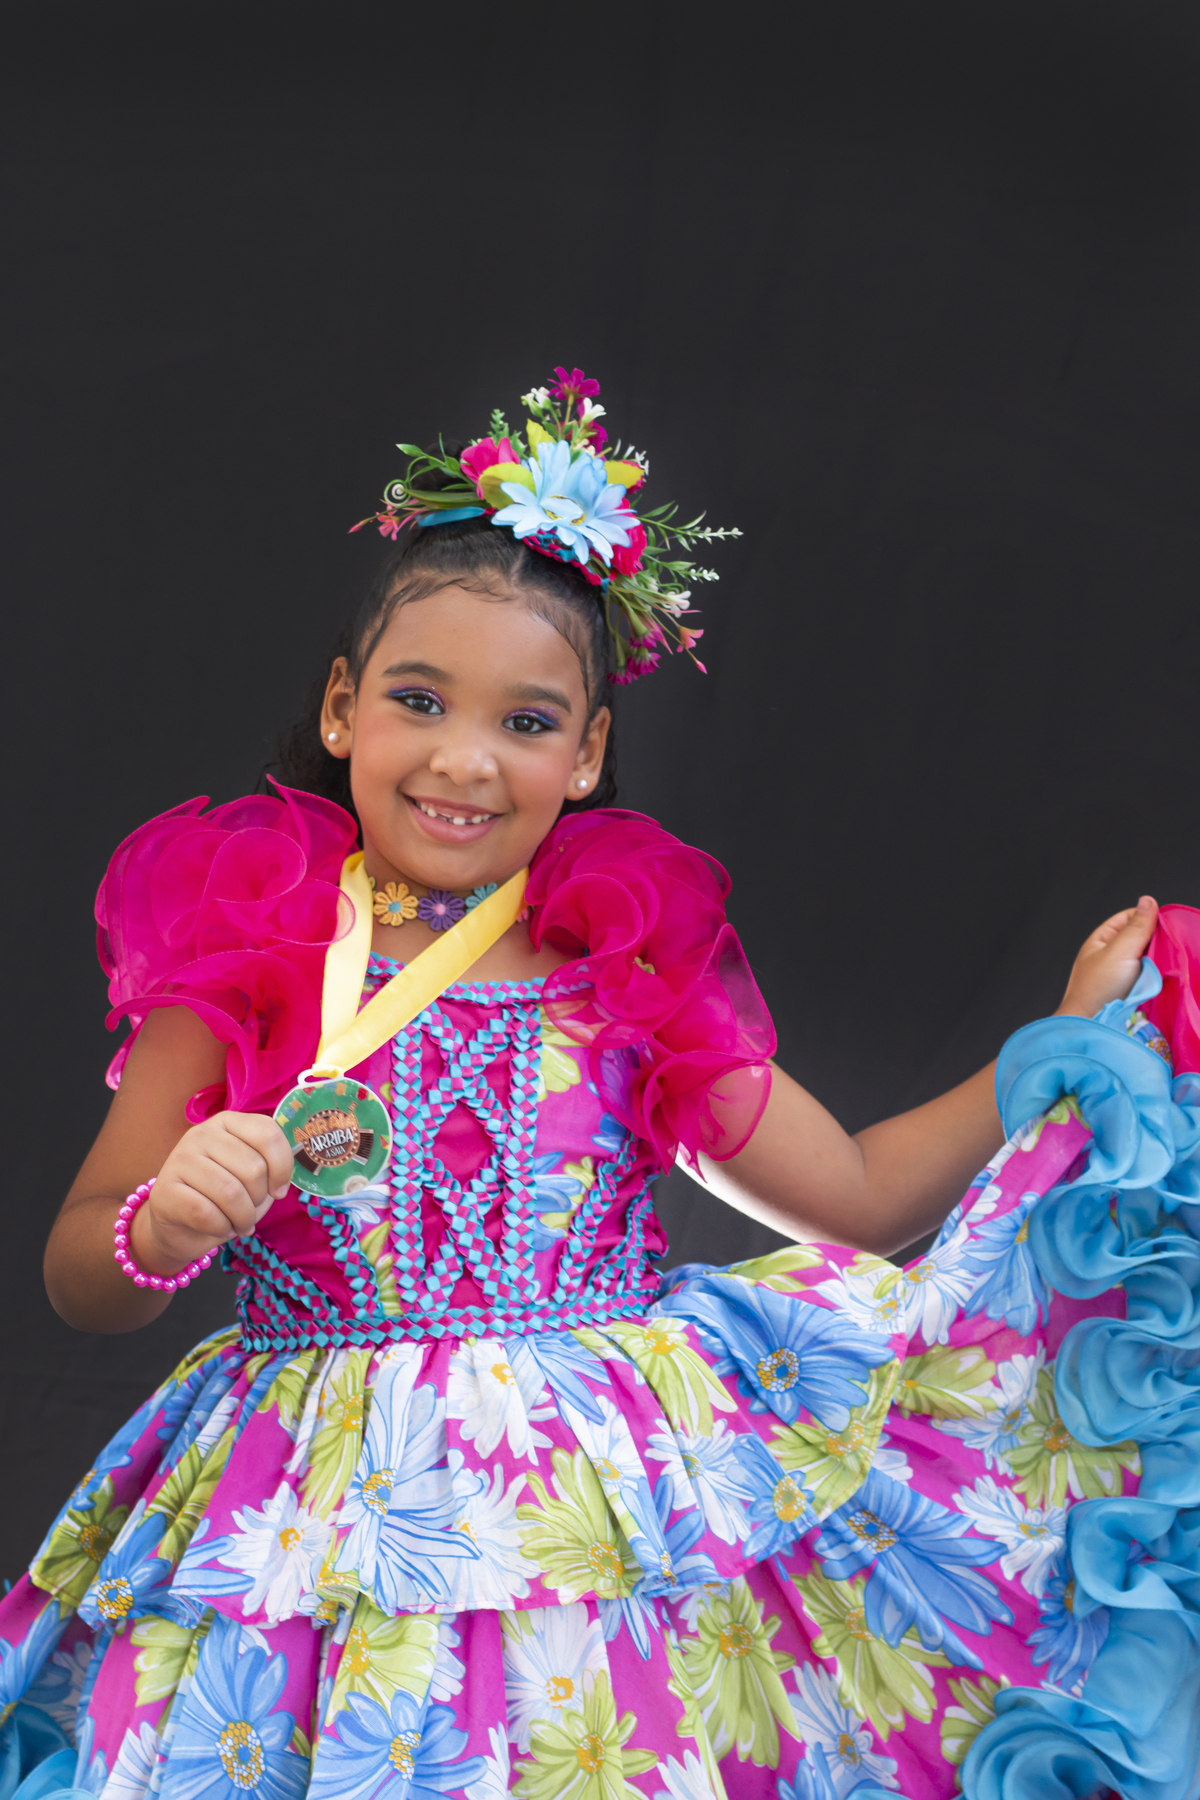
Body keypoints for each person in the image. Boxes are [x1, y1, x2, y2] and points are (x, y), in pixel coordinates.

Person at [5, 368, 1196, 1800]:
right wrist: (161, 1223)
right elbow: (81, 1276)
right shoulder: (245, 950)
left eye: (526, 722)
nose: (463, 759)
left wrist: (1061, 1045)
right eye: (418, 700)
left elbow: (861, 1200)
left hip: (591, 1533)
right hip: (302, 1538)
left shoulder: (623, 973)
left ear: (587, 755)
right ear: (340, 708)